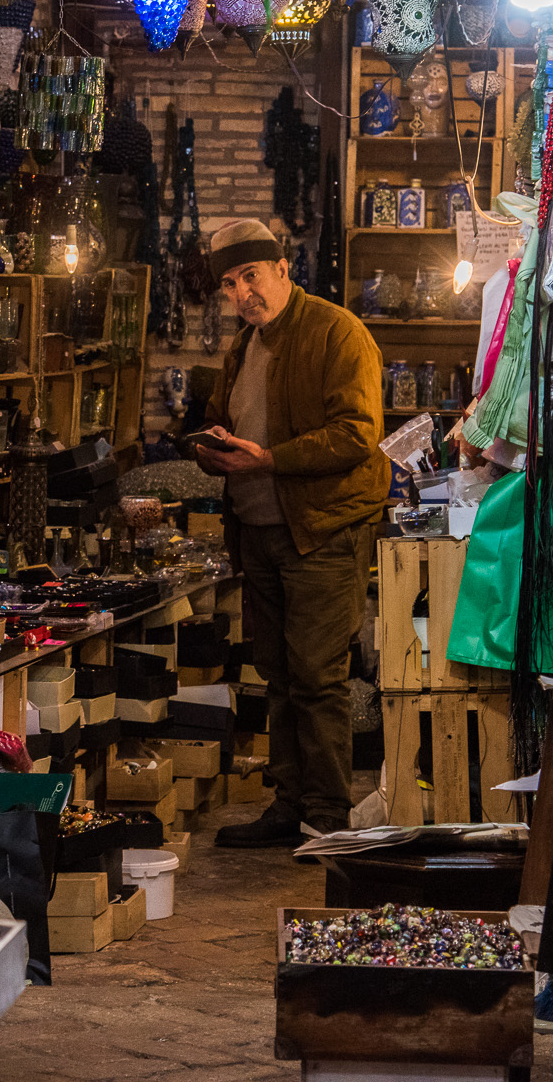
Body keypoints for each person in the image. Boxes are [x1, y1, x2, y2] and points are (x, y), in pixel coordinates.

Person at [192, 219, 391, 847]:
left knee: (318, 677)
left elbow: (357, 434)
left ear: (282, 268)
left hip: (322, 532)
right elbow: (224, 420)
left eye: (251, 275)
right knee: (277, 674)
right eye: (229, 283)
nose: (243, 292)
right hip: (258, 530)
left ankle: (327, 815)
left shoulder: (338, 332)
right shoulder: (245, 346)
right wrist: (211, 448)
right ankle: (288, 803)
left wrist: (268, 459)